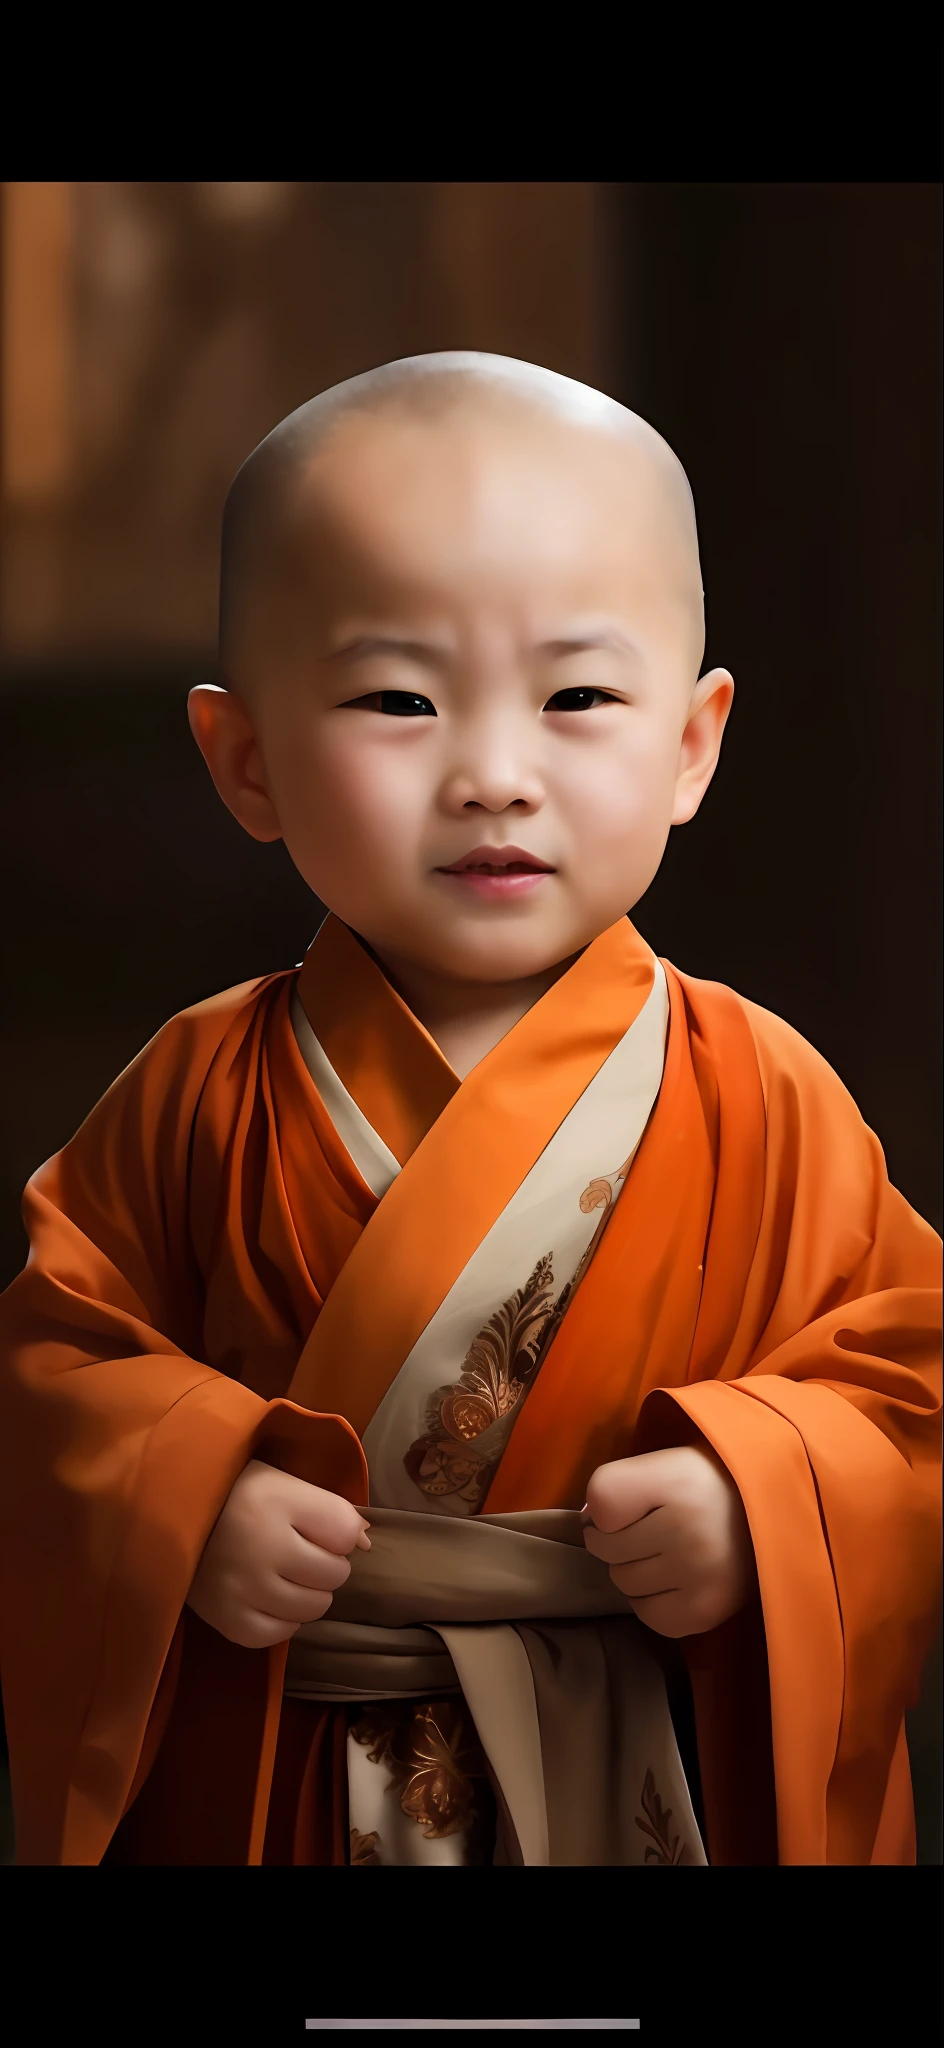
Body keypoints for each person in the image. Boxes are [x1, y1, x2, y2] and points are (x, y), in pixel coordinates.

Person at [0, 352, 939, 1867]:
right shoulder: (197, 1093)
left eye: (577, 694)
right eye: (396, 698)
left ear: (691, 743)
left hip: (639, 1762)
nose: (495, 775)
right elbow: (50, 1370)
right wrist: (183, 1501)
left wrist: (759, 1492)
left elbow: (909, 1386)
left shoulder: (761, 1092)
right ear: (243, 759)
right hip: (289, 1764)